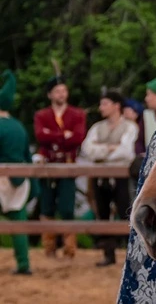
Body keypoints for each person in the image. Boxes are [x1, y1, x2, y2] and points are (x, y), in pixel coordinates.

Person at [81, 89, 138, 267]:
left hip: (120, 177)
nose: (101, 108)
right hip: (101, 177)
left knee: (126, 212)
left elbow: (126, 151)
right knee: (103, 213)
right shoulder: (97, 128)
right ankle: (108, 254)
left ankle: (132, 256)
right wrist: (109, 149)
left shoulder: (130, 127)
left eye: (104, 104)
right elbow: (87, 149)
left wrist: (101, 152)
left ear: (116, 106)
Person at [32, 75, 86, 258]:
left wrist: (52, 135)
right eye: (57, 91)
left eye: (64, 90)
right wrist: (64, 135)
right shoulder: (42, 115)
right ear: (50, 95)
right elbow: (40, 136)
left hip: (68, 164)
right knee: (47, 206)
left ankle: (69, 249)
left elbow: (78, 137)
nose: (61, 94)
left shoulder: (77, 114)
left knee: (67, 207)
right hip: (47, 165)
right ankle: (49, 249)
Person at [0, 70, 33, 275]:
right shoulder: (19, 126)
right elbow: (27, 156)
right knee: (18, 221)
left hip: (1, 177)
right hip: (20, 179)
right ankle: (24, 264)